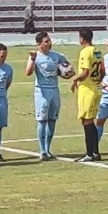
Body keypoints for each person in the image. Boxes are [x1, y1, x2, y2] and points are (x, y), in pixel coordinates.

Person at [25, 31, 73, 161]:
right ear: (39, 44)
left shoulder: (57, 56)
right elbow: (28, 72)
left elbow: (69, 70)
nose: (49, 43)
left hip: (54, 90)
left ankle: (48, 148)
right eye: (46, 41)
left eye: (49, 40)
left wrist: (66, 72)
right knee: (42, 120)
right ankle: (42, 151)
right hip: (42, 91)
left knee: (52, 119)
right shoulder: (35, 56)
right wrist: (33, 59)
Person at [70, 28, 105, 162]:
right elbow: (103, 71)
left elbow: (85, 73)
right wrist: (98, 81)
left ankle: (90, 153)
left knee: (87, 121)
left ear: (81, 38)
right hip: (95, 88)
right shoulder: (97, 51)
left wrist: (75, 79)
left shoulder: (85, 52)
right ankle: (94, 152)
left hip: (87, 90)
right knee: (89, 121)